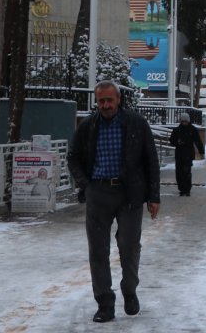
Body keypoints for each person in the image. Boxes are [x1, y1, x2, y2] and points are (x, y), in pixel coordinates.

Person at [67, 81, 160, 323]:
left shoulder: (136, 124)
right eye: (101, 101)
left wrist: (153, 196)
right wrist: (85, 184)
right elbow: (73, 157)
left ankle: (129, 290)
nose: (106, 105)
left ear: (118, 100)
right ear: (96, 102)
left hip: (129, 194)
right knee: (98, 250)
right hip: (98, 193)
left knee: (129, 246)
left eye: (110, 100)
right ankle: (105, 303)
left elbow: (151, 159)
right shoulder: (88, 126)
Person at [169, 113, 205, 195]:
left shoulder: (192, 130)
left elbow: (198, 141)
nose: (184, 123)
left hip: (188, 154)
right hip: (179, 154)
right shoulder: (177, 130)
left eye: (185, 121)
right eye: (183, 121)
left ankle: (187, 189)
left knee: (187, 172)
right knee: (179, 172)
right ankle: (181, 189)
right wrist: (177, 142)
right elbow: (171, 140)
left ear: (188, 121)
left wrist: (201, 152)